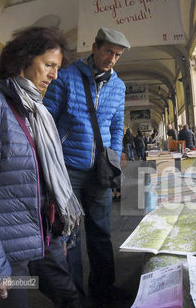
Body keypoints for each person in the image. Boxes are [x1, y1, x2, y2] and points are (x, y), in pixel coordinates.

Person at [0, 27, 84, 308]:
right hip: (6, 249)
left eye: (57, 68)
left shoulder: (39, 111)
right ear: (23, 59)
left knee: (71, 298)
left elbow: (47, 179)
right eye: (49, 65)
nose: (54, 75)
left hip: (45, 237)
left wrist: (58, 229)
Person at [43, 27, 130, 303]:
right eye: (108, 52)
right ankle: (74, 295)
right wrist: (52, 161)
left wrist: (112, 156)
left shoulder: (118, 86)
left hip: (99, 171)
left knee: (101, 232)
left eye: (117, 55)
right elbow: (48, 120)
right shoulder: (67, 76)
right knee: (70, 235)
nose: (112, 59)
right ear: (94, 47)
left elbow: (117, 126)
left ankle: (104, 290)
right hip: (68, 168)